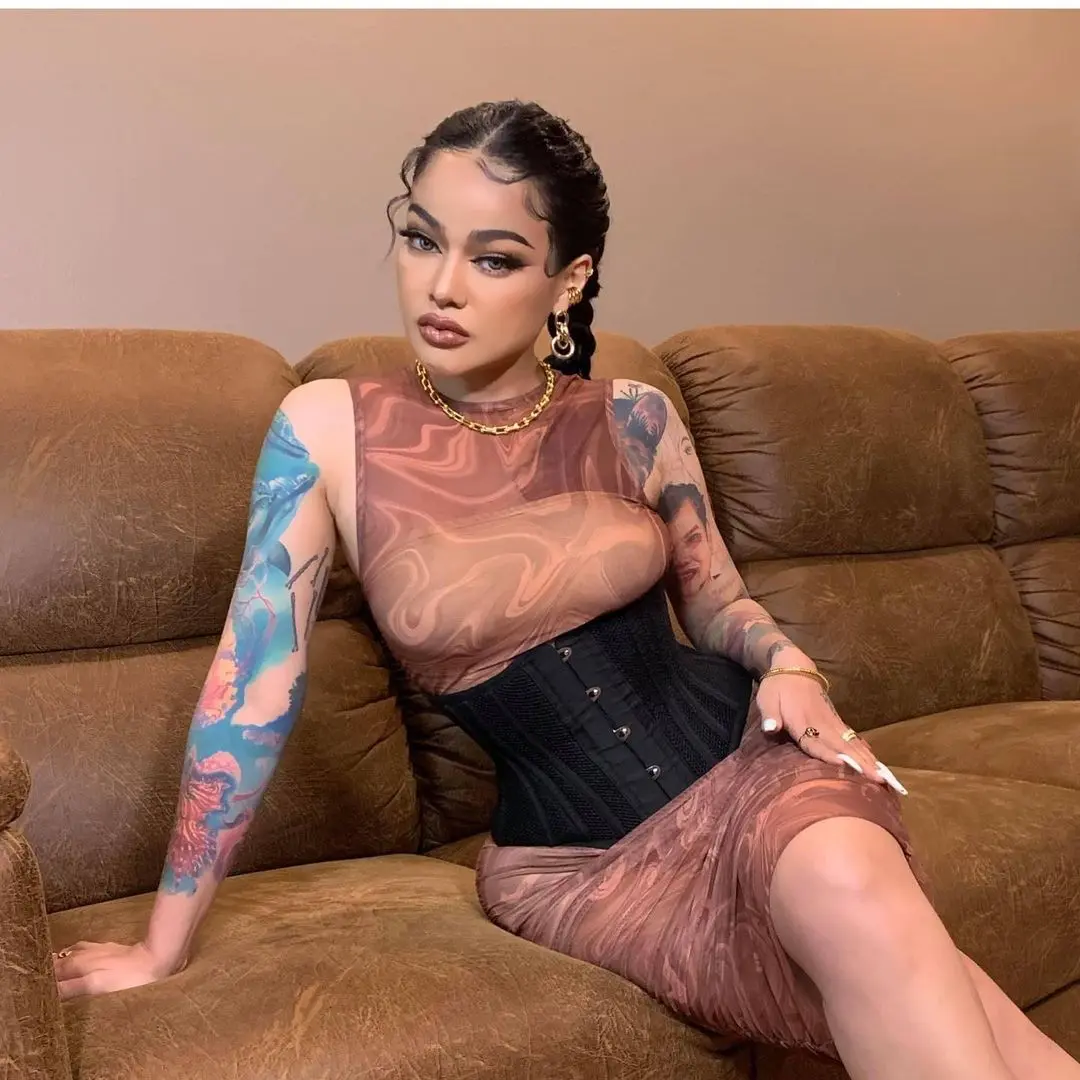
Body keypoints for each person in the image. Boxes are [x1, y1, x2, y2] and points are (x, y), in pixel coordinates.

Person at [52, 100, 1078, 1080]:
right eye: (421, 240)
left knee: (850, 887)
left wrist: (791, 665)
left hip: (751, 765)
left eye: (494, 258)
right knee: (924, 981)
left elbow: (717, 601)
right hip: (575, 858)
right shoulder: (324, 429)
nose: (441, 287)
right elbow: (249, 696)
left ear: (567, 278)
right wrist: (162, 943)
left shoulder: (635, 418)